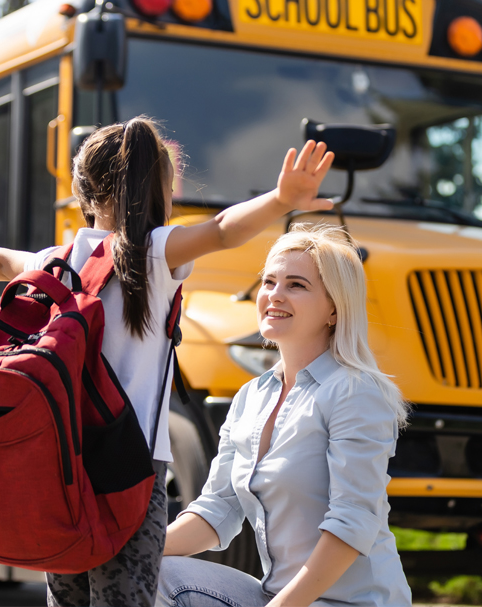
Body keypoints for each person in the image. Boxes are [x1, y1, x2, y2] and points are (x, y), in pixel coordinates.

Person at [0, 117, 334, 607]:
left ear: (84, 190)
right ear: (160, 187)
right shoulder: (152, 254)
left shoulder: (58, 258)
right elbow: (223, 230)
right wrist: (281, 199)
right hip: (131, 466)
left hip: (60, 460)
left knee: (69, 596)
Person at [157, 224, 411, 607]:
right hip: (276, 597)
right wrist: (128, 551)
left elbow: (351, 525)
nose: (274, 295)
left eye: (296, 285)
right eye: (269, 282)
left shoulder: (355, 391)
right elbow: (217, 510)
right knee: (147, 572)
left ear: (334, 308)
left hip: (351, 604)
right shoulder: (250, 397)